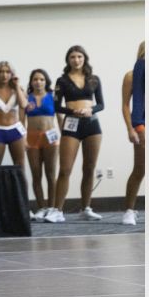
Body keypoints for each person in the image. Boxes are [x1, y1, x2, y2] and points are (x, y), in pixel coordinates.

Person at [44, 45, 104, 223]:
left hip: (92, 125)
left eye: (79, 57)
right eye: (72, 57)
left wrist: (90, 109)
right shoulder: (61, 81)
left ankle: (86, 208)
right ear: (68, 60)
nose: (76, 60)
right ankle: (57, 210)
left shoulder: (94, 79)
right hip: (71, 124)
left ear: (84, 58)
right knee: (65, 169)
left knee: (89, 168)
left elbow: (101, 104)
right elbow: (56, 106)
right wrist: (72, 111)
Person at [23, 68, 59, 220]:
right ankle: (41, 207)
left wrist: (64, 137)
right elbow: (20, 119)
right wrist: (23, 138)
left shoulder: (53, 96)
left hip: (51, 137)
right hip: (31, 137)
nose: (38, 82)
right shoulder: (26, 98)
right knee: (36, 174)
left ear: (46, 81)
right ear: (31, 82)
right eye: (35, 79)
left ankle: (52, 207)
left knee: (51, 174)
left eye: (42, 79)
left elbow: (61, 117)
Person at [0, 60, 28, 169]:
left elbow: (23, 105)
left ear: (12, 74)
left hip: (15, 129)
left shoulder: (18, 90)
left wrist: (17, 85)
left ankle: (20, 187)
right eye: (1, 72)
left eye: (8, 72)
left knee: (20, 165)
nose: (4, 75)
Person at [120, 41, 145, 225]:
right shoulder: (131, 76)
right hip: (142, 123)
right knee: (140, 169)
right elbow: (125, 105)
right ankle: (129, 210)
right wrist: (130, 129)